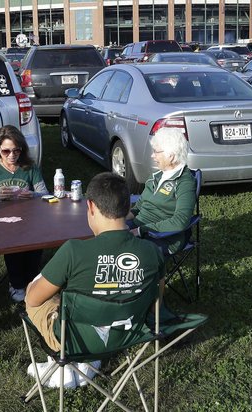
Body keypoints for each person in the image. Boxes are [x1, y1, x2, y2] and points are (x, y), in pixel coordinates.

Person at [25, 172, 165, 386]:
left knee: (33, 293)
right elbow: (157, 301)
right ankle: (89, 363)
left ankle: (65, 370)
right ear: (128, 209)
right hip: (128, 333)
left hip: (74, 340)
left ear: (90, 206)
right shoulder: (152, 252)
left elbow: (34, 300)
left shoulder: (74, 251)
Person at [0, 125, 48, 302]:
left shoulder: (29, 167)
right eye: (6, 151)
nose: (12, 156)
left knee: (36, 237)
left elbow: (45, 194)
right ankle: (16, 283)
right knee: (13, 239)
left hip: (28, 218)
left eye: (16, 150)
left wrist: (33, 194)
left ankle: (31, 280)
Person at [126, 127, 196, 255]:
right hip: (139, 228)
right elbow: (139, 208)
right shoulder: (156, 177)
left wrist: (141, 230)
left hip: (163, 237)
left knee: (121, 253)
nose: (152, 155)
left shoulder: (184, 182)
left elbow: (180, 221)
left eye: (156, 152)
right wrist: (120, 218)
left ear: (171, 156)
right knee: (106, 237)